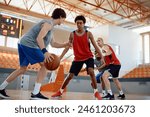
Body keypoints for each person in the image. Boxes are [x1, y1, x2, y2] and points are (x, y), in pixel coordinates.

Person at [0, 8, 70, 100]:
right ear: (61, 17)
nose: (63, 21)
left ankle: (1, 88)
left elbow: (53, 44)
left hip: (23, 42)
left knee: (22, 69)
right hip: (29, 43)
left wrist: (66, 44)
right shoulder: (48, 24)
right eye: (63, 19)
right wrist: (45, 52)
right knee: (45, 65)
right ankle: (35, 93)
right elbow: (39, 38)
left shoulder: (51, 28)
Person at [51, 15, 103, 100]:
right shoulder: (72, 34)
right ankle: (60, 91)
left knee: (91, 71)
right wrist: (60, 57)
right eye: (77, 23)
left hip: (88, 56)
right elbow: (67, 47)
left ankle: (96, 92)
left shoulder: (88, 34)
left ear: (83, 24)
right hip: (78, 58)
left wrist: (102, 57)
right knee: (69, 76)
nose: (79, 24)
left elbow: (95, 46)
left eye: (80, 23)